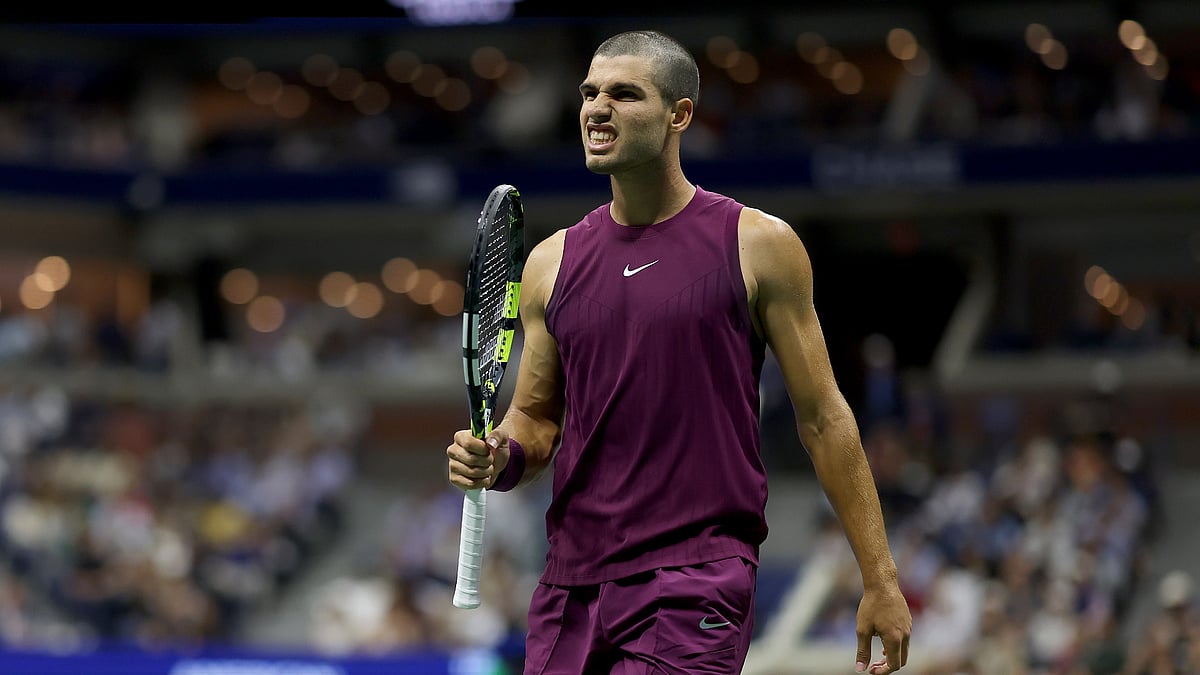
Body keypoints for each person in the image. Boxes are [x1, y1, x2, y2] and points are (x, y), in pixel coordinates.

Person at [446, 29, 912, 674]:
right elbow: (536, 422)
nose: (597, 108)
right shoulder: (552, 261)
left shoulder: (758, 244)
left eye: (624, 94)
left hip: (695, 576)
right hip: (569, 584)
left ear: (680, 115)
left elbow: (824, 419)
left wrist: (881, 579)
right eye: (589, 93)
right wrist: (500, 453)